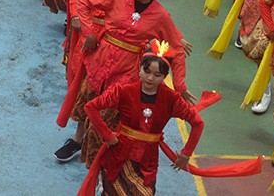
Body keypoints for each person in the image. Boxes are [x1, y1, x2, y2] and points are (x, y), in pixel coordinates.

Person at [54, 0, 194, 163]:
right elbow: (83, 2)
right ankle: (77, 140)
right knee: (88, 99)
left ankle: (98, 162)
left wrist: (180, 84)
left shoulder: (161, 16)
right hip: (99, 60)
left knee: (107, 116)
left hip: (127, 70)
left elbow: (176, 49)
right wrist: (90, 32)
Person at [82, 41, 204, 194]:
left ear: (165, 77)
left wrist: (186, 154)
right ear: (139, 69)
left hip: (147, 162)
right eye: (147, 71)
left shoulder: (172, 99)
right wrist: (108, 136)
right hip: (119, 155)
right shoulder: (123, 91)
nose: (150, 78)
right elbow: (90, 107)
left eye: (157, 75)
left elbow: (198, 123)